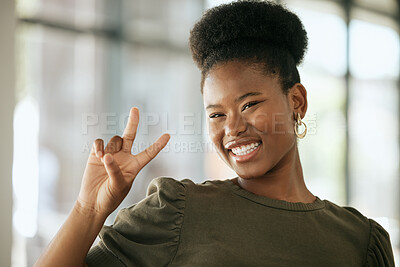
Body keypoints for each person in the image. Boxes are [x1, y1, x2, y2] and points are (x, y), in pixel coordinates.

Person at [35, 1, 395, 266]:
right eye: (216, 114)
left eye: (250, 104)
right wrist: (88, 209)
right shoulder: (177, 212)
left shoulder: (361, 241)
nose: (233, 129)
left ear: (296, 101)